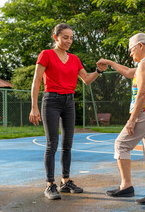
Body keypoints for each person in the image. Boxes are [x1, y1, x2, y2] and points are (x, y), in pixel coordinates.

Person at [29, 23, 107, 200]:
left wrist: (98, 71)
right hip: (51, 101)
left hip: (69, 101)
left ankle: (65, 182)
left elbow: (86, 80)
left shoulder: (74, 59)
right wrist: (34, 107)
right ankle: (50, 185)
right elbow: (36, 81)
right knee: (52, 144)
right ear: (56, 37)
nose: (68, 41)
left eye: (71, 38)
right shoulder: (46, 54)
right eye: (65, 37)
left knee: (68, 144)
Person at [97, 33, 145, 206]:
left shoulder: (144, 64)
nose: (130, 53)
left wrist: (132, 119)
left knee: (121, 145)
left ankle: (126, 185)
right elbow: (128, 72)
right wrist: (110, 62)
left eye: (131, 49)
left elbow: (143, 94)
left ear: (141, 46)